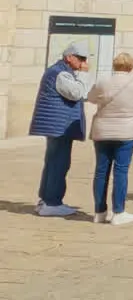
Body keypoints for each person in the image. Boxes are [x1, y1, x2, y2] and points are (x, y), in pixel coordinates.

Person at [86, 52, 133, 225]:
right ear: (131, 67)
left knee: (101, 171)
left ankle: (99, 212)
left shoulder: (103, 81)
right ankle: (119, 211)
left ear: (114, 66)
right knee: (121, 171)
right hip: (126, 131)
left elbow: (91, 98)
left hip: (102, 131)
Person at [30, 42, 90, 217]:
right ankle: (52, 202)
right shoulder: (61, 74)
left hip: (56, 124)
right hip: (60, 126)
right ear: (69, 57)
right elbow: (78, 93)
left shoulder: (60, 71)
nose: (82, 62)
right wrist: (84, 75)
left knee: (52, 162)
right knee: (59, 163)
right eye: (80, 58)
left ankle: (46, 199)